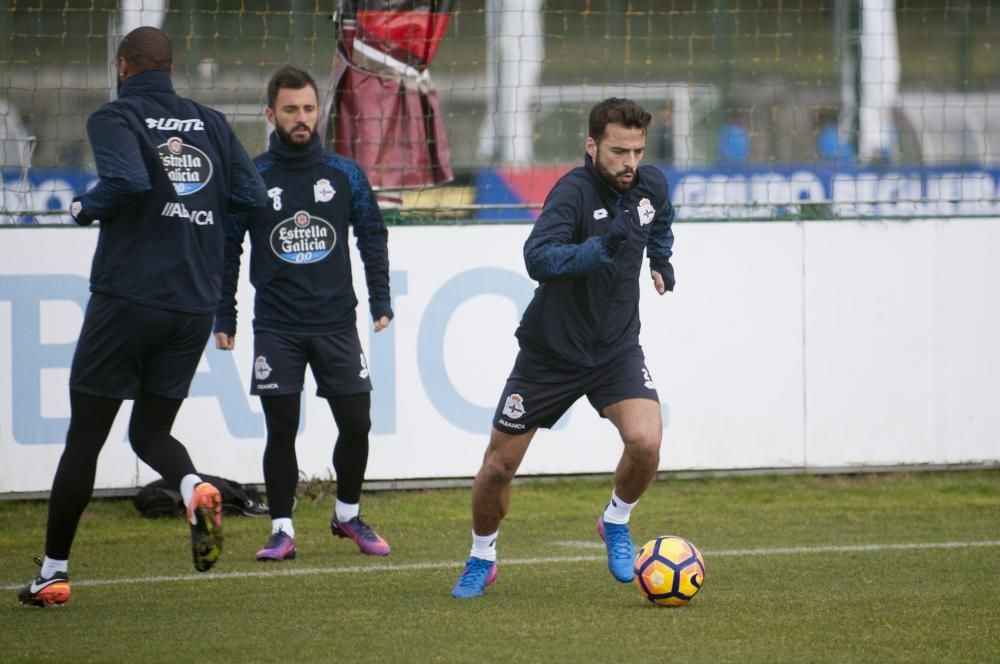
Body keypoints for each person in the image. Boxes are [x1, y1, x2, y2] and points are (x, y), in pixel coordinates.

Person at [16, 27, 267, 607]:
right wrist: (196, 221)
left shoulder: (116, 116)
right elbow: (251, 195)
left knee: (85, 440)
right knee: (150, 431)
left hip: (128, 298)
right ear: (171, 68)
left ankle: (53, 572)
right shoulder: (209, 120)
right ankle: (193, 486)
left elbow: (128, 180)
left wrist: (85, 206)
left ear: (123, 66)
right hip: (191, 306)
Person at [451, 97, 676, 599]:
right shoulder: (571, 193)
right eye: (619, 151)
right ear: (592, 146)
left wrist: (661, 258)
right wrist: (605, 246)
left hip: (615, 350)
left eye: (638, 151)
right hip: (550, 353)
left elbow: (658, 216)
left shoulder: (650, 183)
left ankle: (615, 520)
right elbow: (539, 258)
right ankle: (481, 556)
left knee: (646, 442)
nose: (630, 163)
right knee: (497, 469)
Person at [214, 65, 393, 562]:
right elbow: (229, 250)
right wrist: (223, 316)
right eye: (290, 109)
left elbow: (371, 236)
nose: (301, 118)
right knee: (281, 428)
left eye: (309, 109)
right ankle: (282, 528)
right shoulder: (252, 177)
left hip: (337, 323)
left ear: (319, 112)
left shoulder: (345, 174)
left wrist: (380, 299)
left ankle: (347, 515)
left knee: (357, 423)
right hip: (277, 326)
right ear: (271, 113)